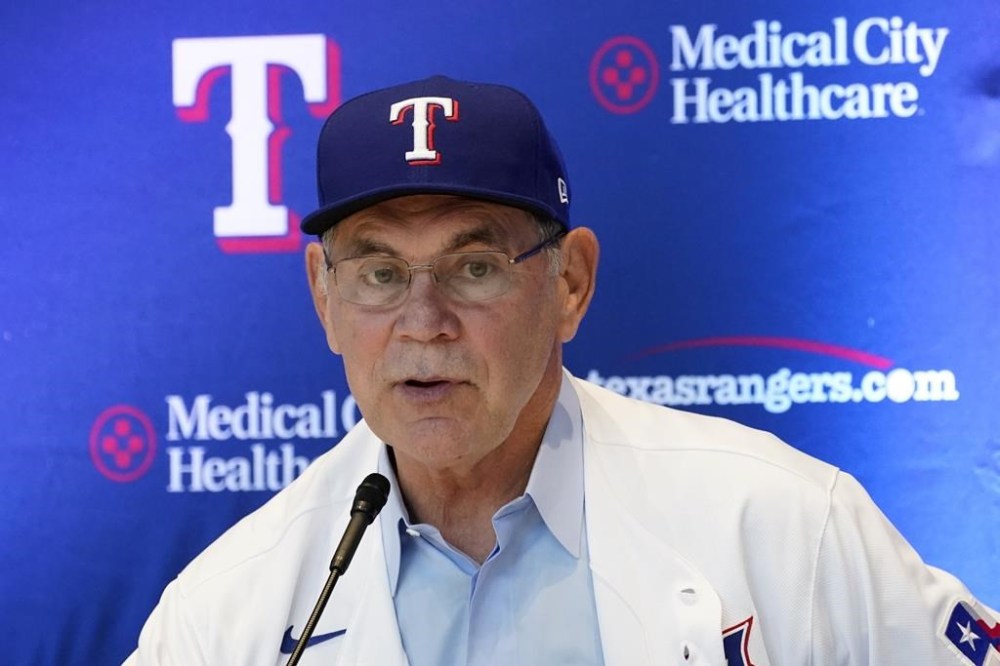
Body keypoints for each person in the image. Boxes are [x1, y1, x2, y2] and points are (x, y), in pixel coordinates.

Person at [126, 75, 998, 665]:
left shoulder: (781, 520)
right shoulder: (224, 611)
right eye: (381, 273)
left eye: (474, 267)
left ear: (569, 283)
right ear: (324, 296)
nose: (423, 324)